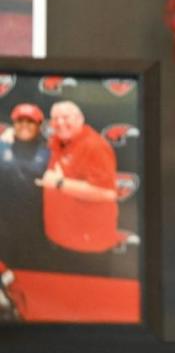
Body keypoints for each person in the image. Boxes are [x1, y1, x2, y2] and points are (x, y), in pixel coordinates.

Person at [34, 100, 119, 254]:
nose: (60, 123)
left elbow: (108, 194)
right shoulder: (58, 141)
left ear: (80, 119)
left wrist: (60, 183)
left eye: (66, 117)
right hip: (60, 237)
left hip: (86, 245)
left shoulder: (95, 146)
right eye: (55, 118)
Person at [0, 103, 51, 267]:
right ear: (13, 123)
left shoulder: (49, 152)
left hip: (35, 227)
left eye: (30, 121)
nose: (24, 125)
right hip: (4, 226)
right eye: (20, 121)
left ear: (39, 125)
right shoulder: (1, 147)